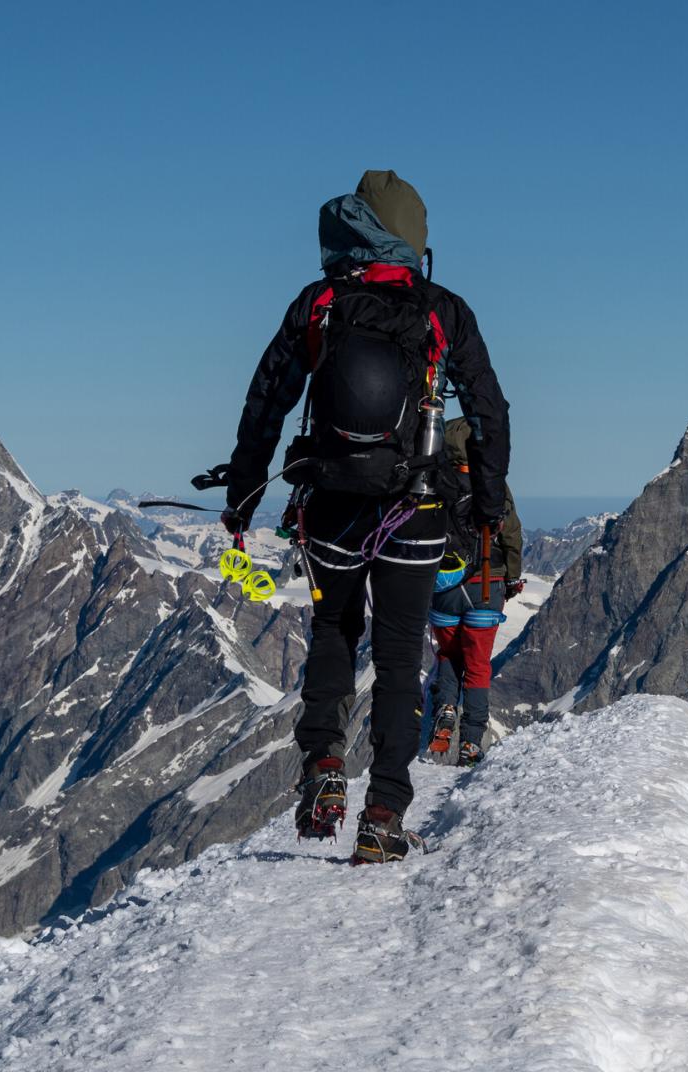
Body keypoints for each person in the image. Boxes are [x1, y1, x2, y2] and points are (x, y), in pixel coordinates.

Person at [224, 170, 510, 865]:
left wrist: (242, 496)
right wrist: (488, 510)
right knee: (399, 652)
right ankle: (383, 814)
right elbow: (490, 413)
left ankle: (323, 769)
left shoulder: (319, 304)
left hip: (331, 506)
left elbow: (267, 401)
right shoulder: (443, 310)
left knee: (333, 631)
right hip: (417, 508)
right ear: (412, 234)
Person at [428, 417, 525, 766]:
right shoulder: (494, 484)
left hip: (444, 586)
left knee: (449, 653)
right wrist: (512, 578)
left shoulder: (436, 482)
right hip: (488, 584)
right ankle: (470, 742)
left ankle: (446, 711)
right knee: (478, 665)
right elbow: (512, 533)